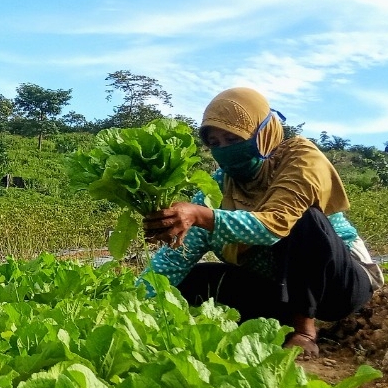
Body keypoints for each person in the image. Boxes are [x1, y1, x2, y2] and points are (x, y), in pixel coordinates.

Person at [142, 87, 383, 358]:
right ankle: (280, 322)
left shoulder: (299, 158)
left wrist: (200, 215)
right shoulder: (220, 186)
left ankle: (305, 330)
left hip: (339, 285)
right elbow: (175, 259)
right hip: (278, 289)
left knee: (303, 218)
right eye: (216, 143)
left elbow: (275, 223)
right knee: (194, 279)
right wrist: (127, 303)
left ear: (262, 134)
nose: (226, 150)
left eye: (233, 138)